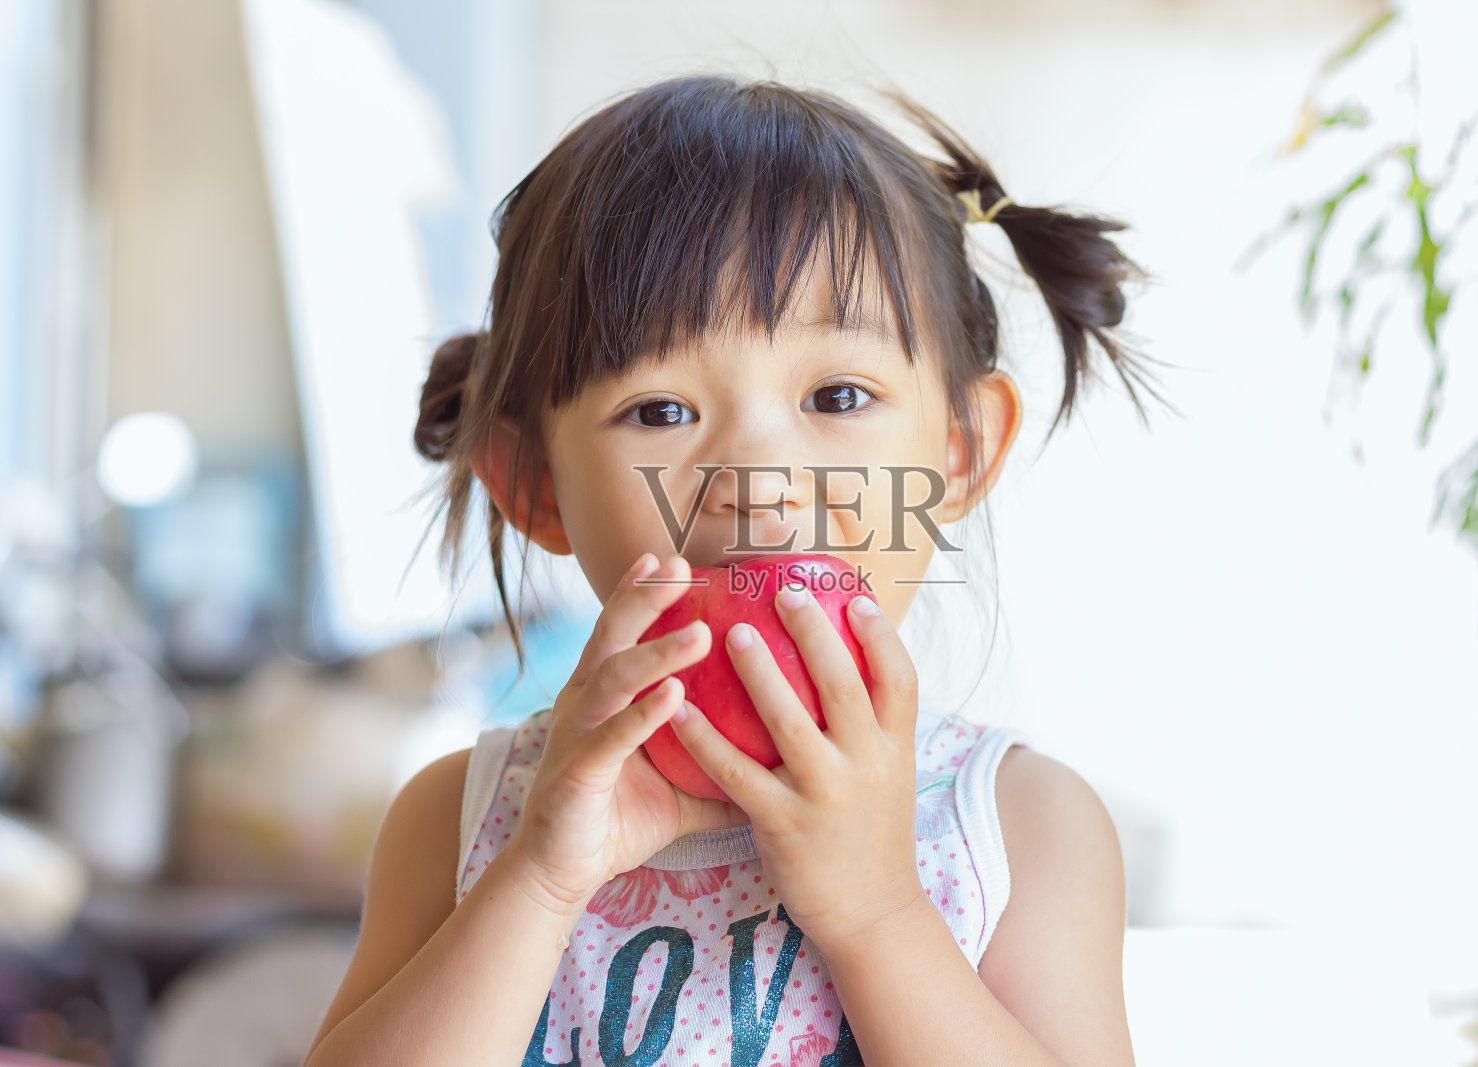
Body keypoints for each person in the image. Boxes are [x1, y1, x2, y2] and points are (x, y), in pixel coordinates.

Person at [303, 73, 1170, 1067]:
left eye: (838, 393)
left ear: (961, 449)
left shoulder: (1017, 827)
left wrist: (875, 907)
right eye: (662, 411)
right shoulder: (466, 817)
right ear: (534, 483)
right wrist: (539, 877)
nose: (758, 476)